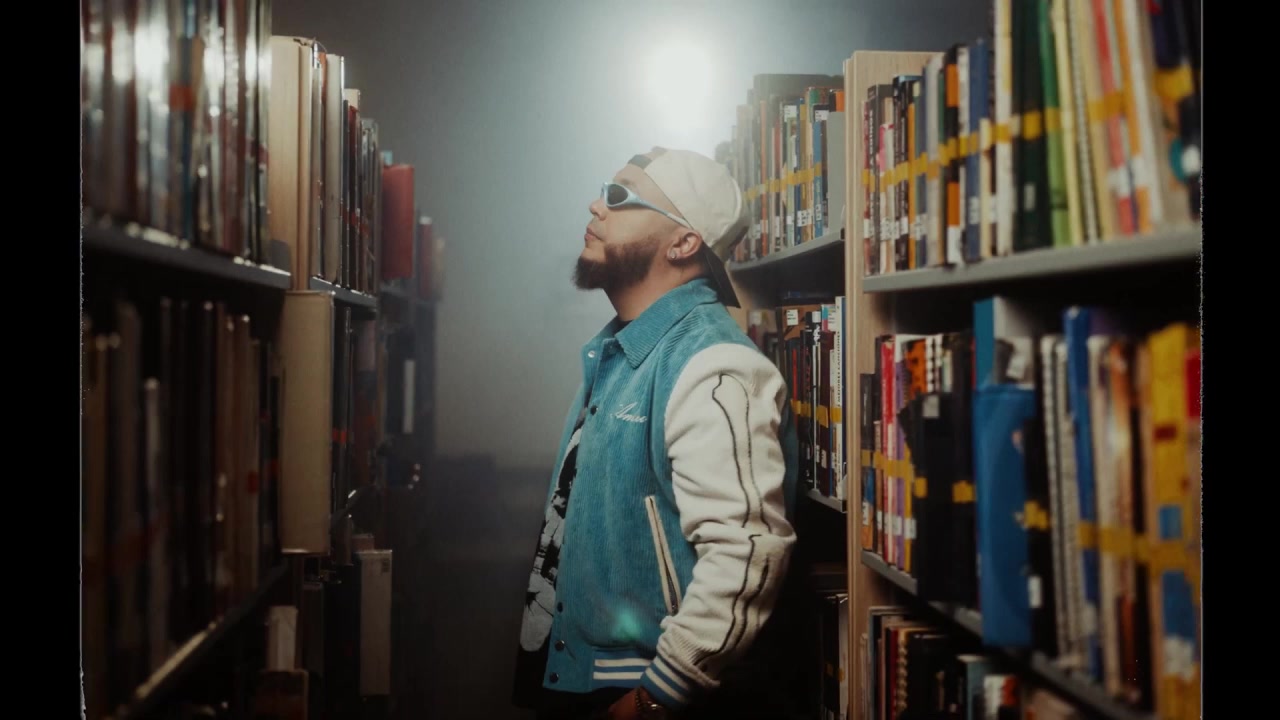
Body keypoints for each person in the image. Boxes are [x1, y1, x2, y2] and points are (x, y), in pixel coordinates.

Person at [511, 147, 801, 720]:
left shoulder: (713, 366)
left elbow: (747, 552)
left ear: (684, 242)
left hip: (636, 690)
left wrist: (656, 696)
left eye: (620, 196)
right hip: (582, 678)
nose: (596, 206)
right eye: (604, 190)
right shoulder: (623, 349)